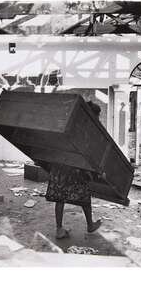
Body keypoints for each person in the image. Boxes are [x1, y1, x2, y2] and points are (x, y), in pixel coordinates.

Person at [45, 100, 103, 239]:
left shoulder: (70, 121)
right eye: (97, 116)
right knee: (84, 196)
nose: (98, 119)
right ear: (92, 115)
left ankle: (59, 229)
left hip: (59, 165)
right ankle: (90, 225)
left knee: (60, 198)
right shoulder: (87, 129)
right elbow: (86, 151)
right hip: (74, 168)